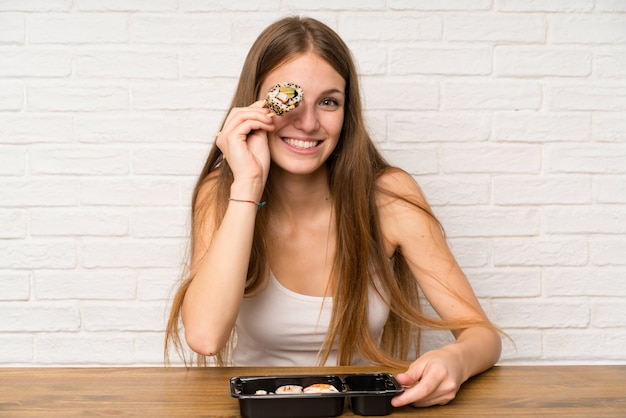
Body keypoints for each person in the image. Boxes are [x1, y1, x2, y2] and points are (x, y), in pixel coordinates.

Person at [165, 16, 501, 408]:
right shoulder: (221, 194)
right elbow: (205, 337)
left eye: (328, 102)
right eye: (288, 98)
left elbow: (482, 335)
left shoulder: (388, 195)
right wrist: (247, 185)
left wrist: (455, 359)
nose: (308, 123)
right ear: (257, 104)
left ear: (347, 111)